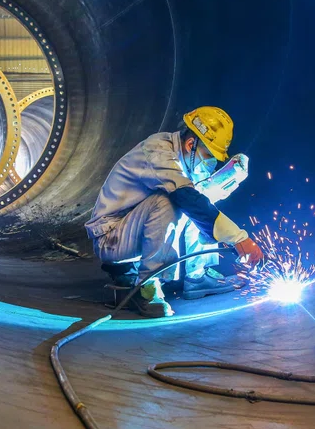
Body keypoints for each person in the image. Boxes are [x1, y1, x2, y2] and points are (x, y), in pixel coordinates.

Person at [85, 106, 265, 317]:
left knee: (192, 197)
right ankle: (146, 288)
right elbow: (187, 198)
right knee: (171, 200)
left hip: (132, 228)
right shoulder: (158, 152)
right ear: (191, 144)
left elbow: (199, 198)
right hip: (112, 237)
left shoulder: (183, 159)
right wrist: (238, 238)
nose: (210, 163)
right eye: (208, 156)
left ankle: (197, 277)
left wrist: (229, 178)